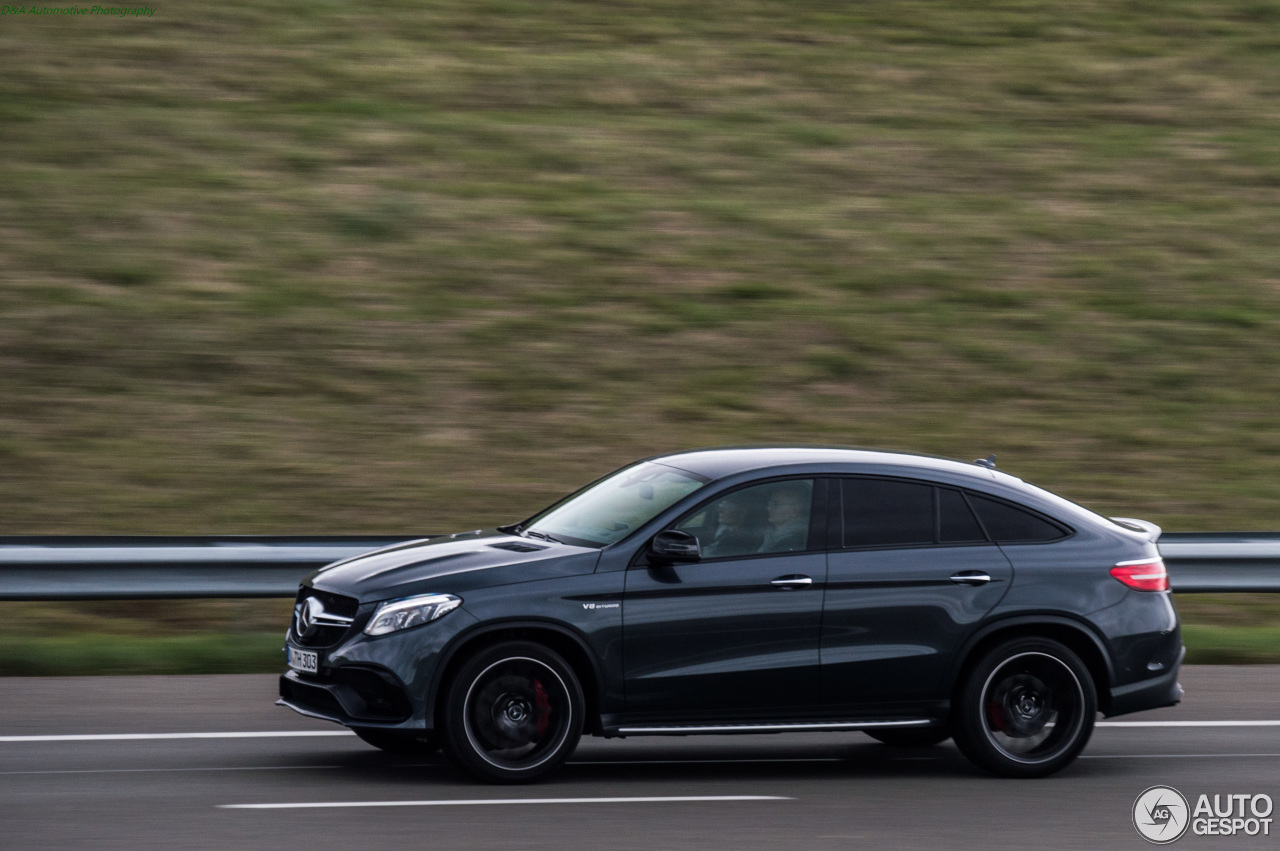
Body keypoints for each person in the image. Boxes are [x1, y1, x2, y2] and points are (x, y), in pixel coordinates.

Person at [756, 487, 809, 553]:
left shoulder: (798, 540)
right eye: (769, 504)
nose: (768, 508)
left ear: (795, 510)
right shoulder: (767, 536)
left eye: (775, 504)